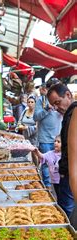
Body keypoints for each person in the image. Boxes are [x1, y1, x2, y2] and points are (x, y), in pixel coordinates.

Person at [47, 82, 77, 224]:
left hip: (70, 176)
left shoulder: (73, 113)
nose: (57, 107)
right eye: (54, 105)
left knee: (67, 213)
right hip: (67, 174)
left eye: (58, 102)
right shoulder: (70, 114)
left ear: (68, 95)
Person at [34, 79, 62, 187]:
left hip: (58, 138)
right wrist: (46, 109)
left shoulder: (61, 100)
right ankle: (47, 188)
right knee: (45, 164)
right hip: (45, 138)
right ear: (48, 89)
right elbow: (35, 117)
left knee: (60, 164)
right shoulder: (42, 100)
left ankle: (58, 185)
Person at [33, 135, 62, 206]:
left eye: (58, 142)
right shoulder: (50, 153)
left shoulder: (64, 154)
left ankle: (61, 206)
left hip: (62, 180)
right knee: (58, 194)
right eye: (55, 141)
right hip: (54, 181)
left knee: (62, 197)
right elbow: (42, 156)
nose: (55, 143)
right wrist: (36, 151)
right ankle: (59, 205)